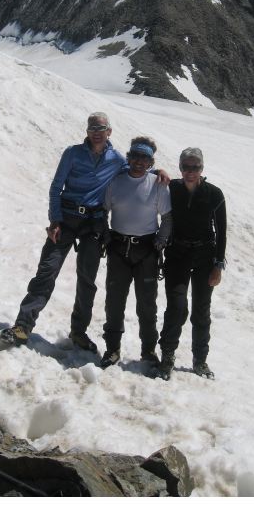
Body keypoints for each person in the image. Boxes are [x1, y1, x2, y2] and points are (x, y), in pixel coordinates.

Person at [0, 113, 169, 351]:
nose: (97, 132)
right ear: (87, 131)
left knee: (87, 280)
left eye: (101, 128)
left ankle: (78, 332)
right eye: (92, 128)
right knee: (47, 271)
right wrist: (55, 220)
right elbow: (56, 187)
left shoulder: (117, 159)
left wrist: (158, 170)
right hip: (66, 219)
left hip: (93, 222)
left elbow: (137, 170)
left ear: (109, 131)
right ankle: (22, 327)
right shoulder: (72, 153)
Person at [100, 137, 172, 370]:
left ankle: (149, 350)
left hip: (146, 250)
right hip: (119, 248)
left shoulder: (158, 184)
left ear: (151, 161)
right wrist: (107, 236)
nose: (139, 162)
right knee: (114, 301)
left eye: (145, 158)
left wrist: (160, 242)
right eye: (136, 156)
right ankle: (112, 349)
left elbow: (167, 218)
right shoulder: (116, 182)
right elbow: (103, 211)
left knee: (147, 304)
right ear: (129, 157)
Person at [157, 148, 227, 380]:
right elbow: (145, 175)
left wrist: (218, 265)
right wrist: (158, 170)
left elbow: (222, 232)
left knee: (201, 310)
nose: (190, 171)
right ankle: (167, 357)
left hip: (205, 257)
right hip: (177, 254)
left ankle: (200, 360)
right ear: (180, 168)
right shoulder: (172, 188)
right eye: (186, 167)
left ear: (202, 169)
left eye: (195, 167)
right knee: (177, 307)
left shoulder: (214, 194)